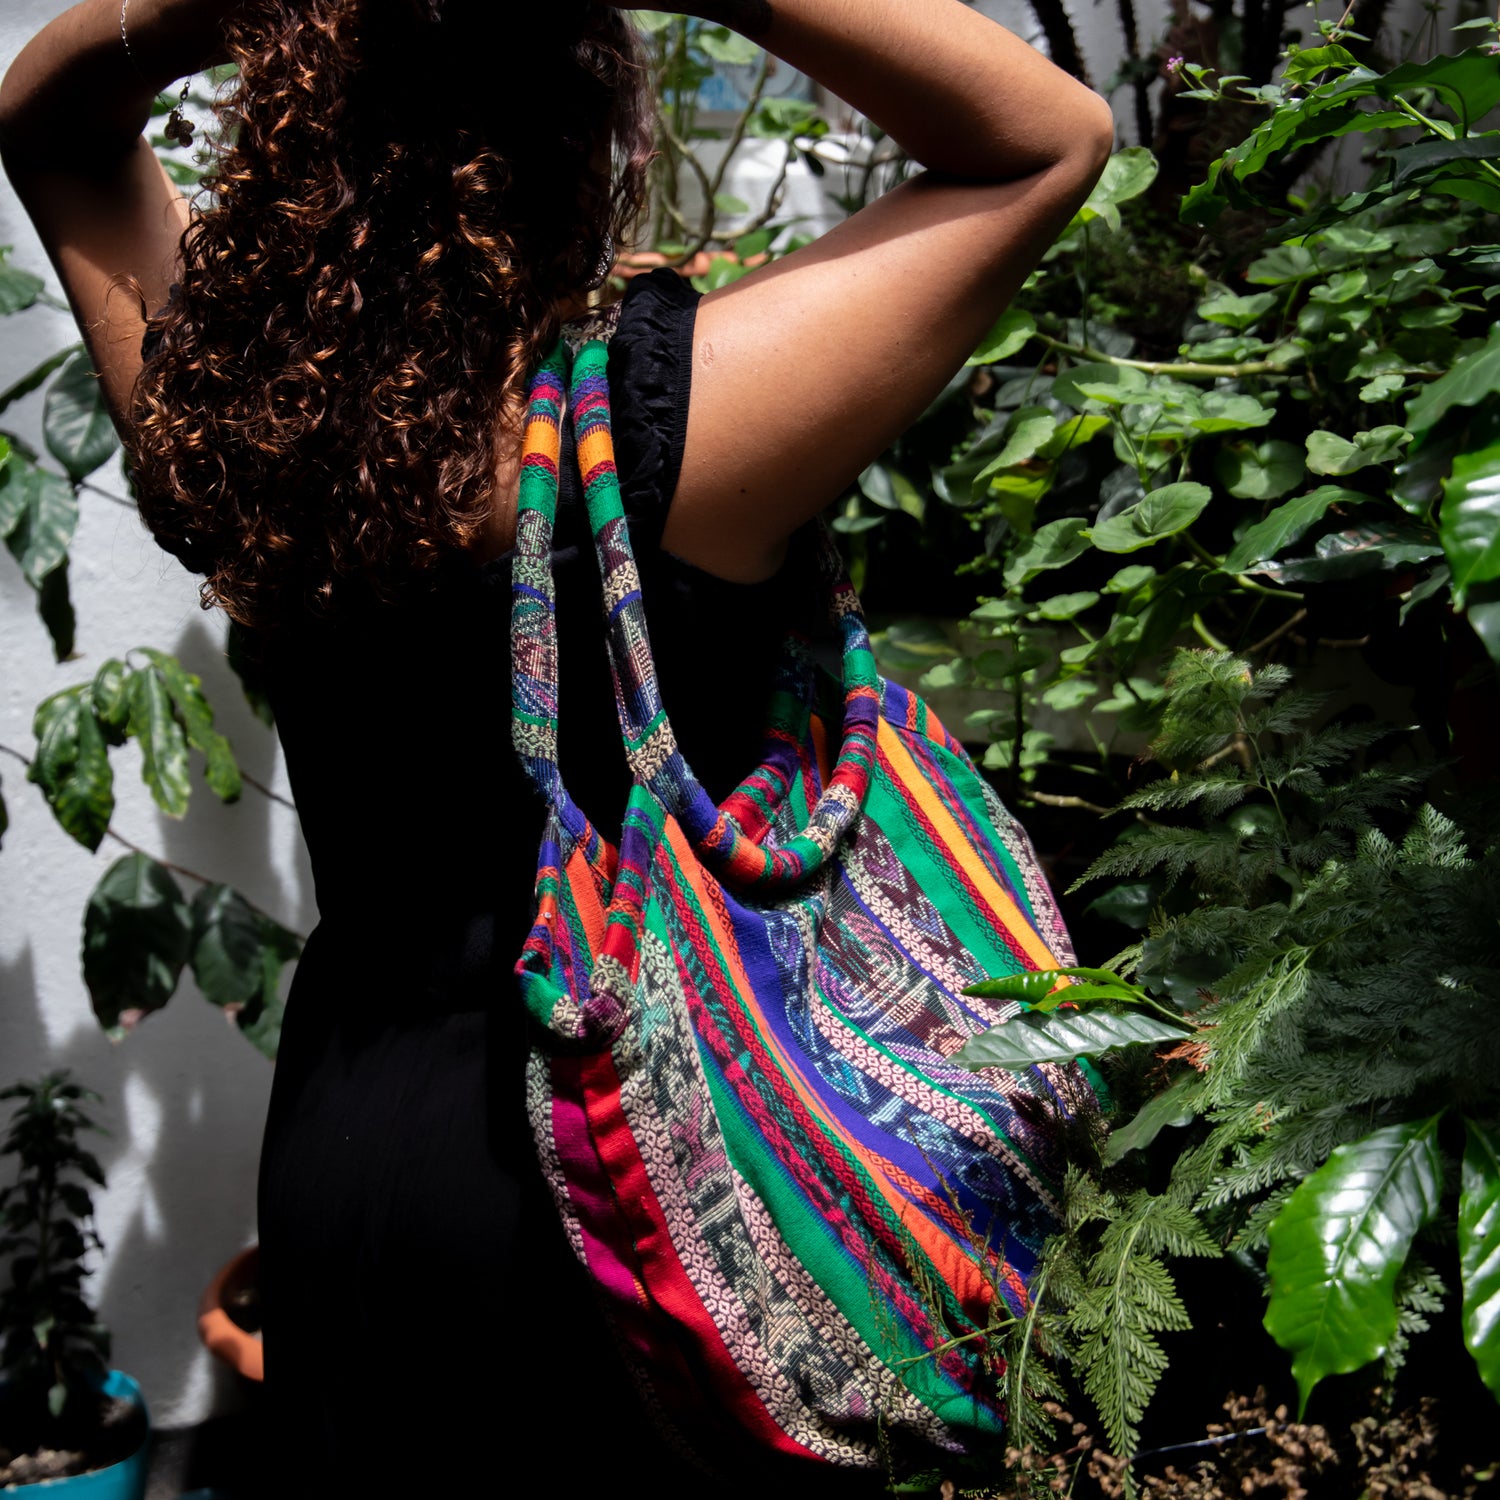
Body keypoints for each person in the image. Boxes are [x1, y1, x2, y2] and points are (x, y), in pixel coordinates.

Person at [0, 0, 1112, 1492]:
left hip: (356, 1140)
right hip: (636, 1183)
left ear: (291, 131)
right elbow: (1044, 141)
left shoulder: (244, 432)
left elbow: (51, 124)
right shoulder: (666, 432)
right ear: (582, 137)